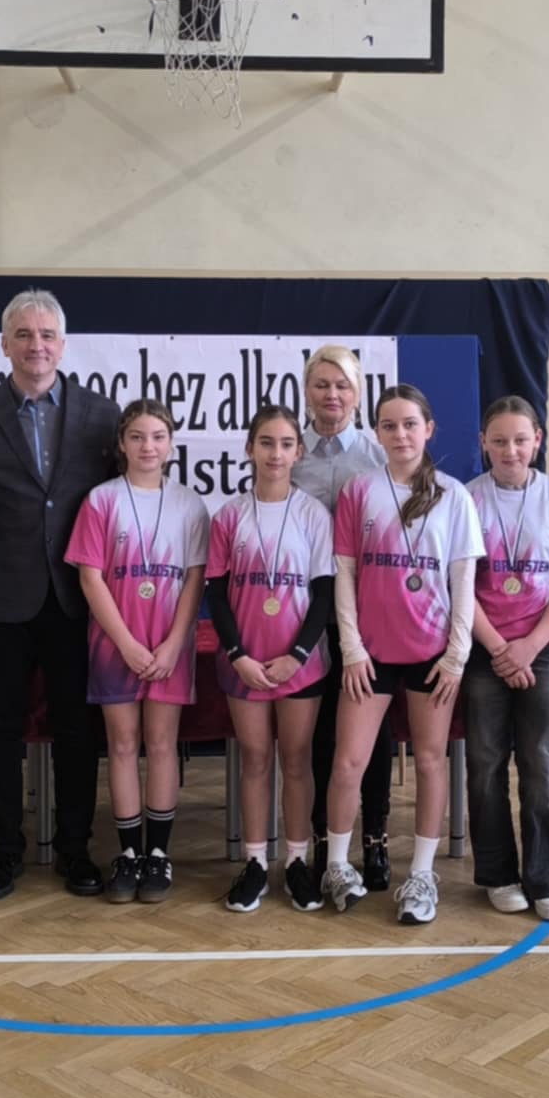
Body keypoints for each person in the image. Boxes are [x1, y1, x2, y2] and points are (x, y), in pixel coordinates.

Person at [0, 289, 121, 901]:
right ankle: (3, 849)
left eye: (46, 335)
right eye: (23, 334)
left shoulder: (102, 415)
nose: (35, 345)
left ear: (63, 345)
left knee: (77, 728)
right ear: (4, 344)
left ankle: (75, 848)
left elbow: (116, 511)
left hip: (76, 597)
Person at [326, 384, 485, 923]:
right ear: (377, 432)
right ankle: (336, 865)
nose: (400, 435)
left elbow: (463, 581)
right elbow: (344, 574)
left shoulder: (453, 496)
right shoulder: (359, 491)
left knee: (431, 760)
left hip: (431, 655)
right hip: (370, 655)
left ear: (429, 429)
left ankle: (420, 875)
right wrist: (351, 648)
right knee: (349, 761)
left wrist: (456, 654)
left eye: (410, 424)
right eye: (389, 426)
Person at [66, 401, 210, 903]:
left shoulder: (189, 504)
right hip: (116, 644)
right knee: (123, 745)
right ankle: (128, 852)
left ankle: (158, 854)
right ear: (121, 444)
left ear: (171, 444)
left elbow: (195, 579)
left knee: (162, 743)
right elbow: (90, 577)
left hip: (170, 644)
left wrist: (172, 644)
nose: (148, 446)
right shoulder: (101, 500)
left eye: (158, 437)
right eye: (137, 437)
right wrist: (126, 643)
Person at [464, 397, 549, 921]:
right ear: (483, 444)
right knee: (485, 762)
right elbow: (459, 585)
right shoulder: (466, 499)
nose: (510, 450)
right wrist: (500, 648)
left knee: (543, 764)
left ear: (537, 440)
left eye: (520, 439)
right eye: (499, 441)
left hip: (545, 648)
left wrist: (529, 647)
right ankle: (498, 873)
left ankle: (543, 876)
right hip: (484, 649)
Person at [208, 406, 336, 913]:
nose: (276, 454)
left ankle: (298, 861)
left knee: (297, 760)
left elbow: (323, 594)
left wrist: (297, 655)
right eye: (266, 443)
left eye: (285, 444)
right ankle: (257, 862)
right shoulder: (229, 516)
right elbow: (217, 594)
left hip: (299, 663)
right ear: (250, 449)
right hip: (246, 663)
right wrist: (238, 654)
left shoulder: (313, 514)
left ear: (298, 452)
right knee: (256, 759)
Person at [291, 345, 397, 892]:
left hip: (370, 615)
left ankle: (374, 836)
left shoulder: (379, 456)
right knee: (319, 733)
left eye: (343, 386)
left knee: (371, 732)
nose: (332, 395)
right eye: (322, 384)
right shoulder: (289, 453)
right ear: (307, 390)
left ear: (358, 394)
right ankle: (321, 839)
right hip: (306, 614)